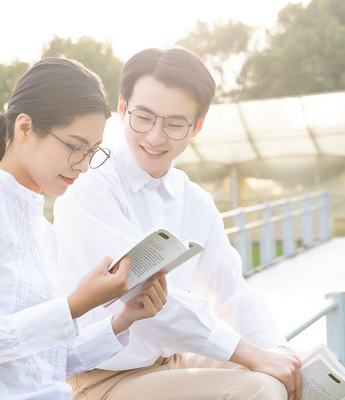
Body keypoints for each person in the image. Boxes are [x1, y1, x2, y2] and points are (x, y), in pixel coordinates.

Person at [0, 57, 168, 400]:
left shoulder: (41, 230)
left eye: (92, 152)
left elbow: (41, 363)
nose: (84, 166)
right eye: (74, 147)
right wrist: (73, 306)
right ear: (24, 128)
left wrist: (124, 318)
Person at [53, 48, 302, 400]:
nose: (155, 137)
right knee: (259, 388)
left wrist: (277, 351)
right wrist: (254, 355)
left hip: (171, 365)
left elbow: (231, 290)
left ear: (196, 126)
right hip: (99, 380)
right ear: (122, 110)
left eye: (173, 124)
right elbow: (150, 298)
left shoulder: (194, 199)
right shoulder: (89, 186)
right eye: (143, 118)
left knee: (297, 371)